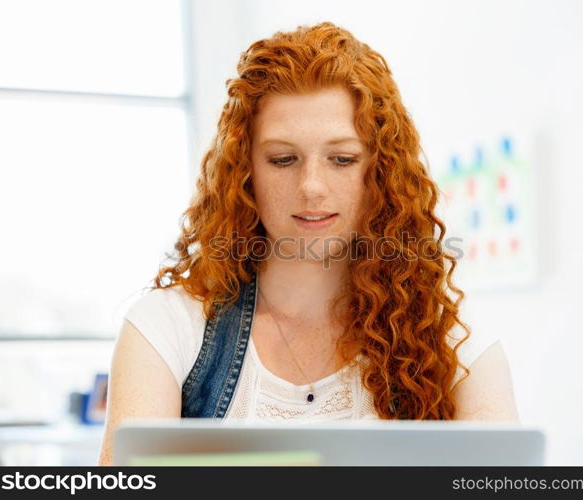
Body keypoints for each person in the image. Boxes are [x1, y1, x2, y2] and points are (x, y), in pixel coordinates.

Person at [98, 21, 519, 466]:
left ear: (378, 172)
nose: (311, 187)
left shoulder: (453, 340)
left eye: (342, 159)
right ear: (245, 173)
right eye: (283, 159)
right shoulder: (167, 327)